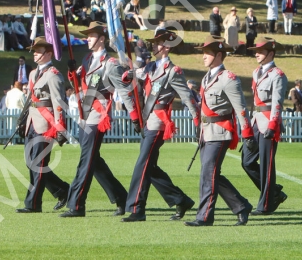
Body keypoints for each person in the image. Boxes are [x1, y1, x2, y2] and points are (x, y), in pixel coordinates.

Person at [120, 28, 200, 222]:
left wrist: (197, 121)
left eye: (157, 43)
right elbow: (135, 74)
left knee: (142, 164)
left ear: (166, 47)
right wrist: (128, 75)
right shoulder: (150, 67)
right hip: (147, 121)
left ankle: (137, 209)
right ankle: (180, 200)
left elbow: (187, 97)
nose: (153, 46)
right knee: (150, 167)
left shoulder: (173, 71)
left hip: (158, 122)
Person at [60, 22, 139, 218]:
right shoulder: (87, 60)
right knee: (93, 160)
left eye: (92, 36)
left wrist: (134, 116)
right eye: (87, 36)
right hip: (85, 114)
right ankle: (121, 198)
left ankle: (77, 204)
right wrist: (72, 73)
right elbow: (78, 85)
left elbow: (124, 91)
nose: (88, 39)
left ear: (102, 39)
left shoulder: (110, 64)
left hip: (98, 115)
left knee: (86, 161)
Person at [185, 36, 253, 227]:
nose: (203, 56)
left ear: (219, 55)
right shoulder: (207, 77)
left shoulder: (228, 79)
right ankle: (241, 206)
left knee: (208, 173)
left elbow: (240, 108)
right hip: (207, 132)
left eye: (207, 53)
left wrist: (247, 134)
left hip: (221, 131)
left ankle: (204, 216)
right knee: (212, 173)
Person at [15, 37, 71, 213]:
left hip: (46, 124)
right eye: (34, 51)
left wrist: (60, 128)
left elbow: (59, 103)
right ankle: (63, 190)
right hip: (32, 122)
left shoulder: (53, 75)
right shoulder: (33, 74)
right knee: (30, 163)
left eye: (38, 51)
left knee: (38, 165)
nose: (35, 54)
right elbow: (30, 100)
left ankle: (33, 204)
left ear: (48, 53)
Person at [242, 38, 289, 215]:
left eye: (260, 51)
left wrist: (273, 124)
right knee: (247, 162)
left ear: (270, 53)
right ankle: (274, 192)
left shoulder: (277, 74)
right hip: (256, 120)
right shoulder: (256, 72)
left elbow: (277, 102)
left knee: (267, 165)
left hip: (269, 121)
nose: (256, 54)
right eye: (256, 51)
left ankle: (266, 205)